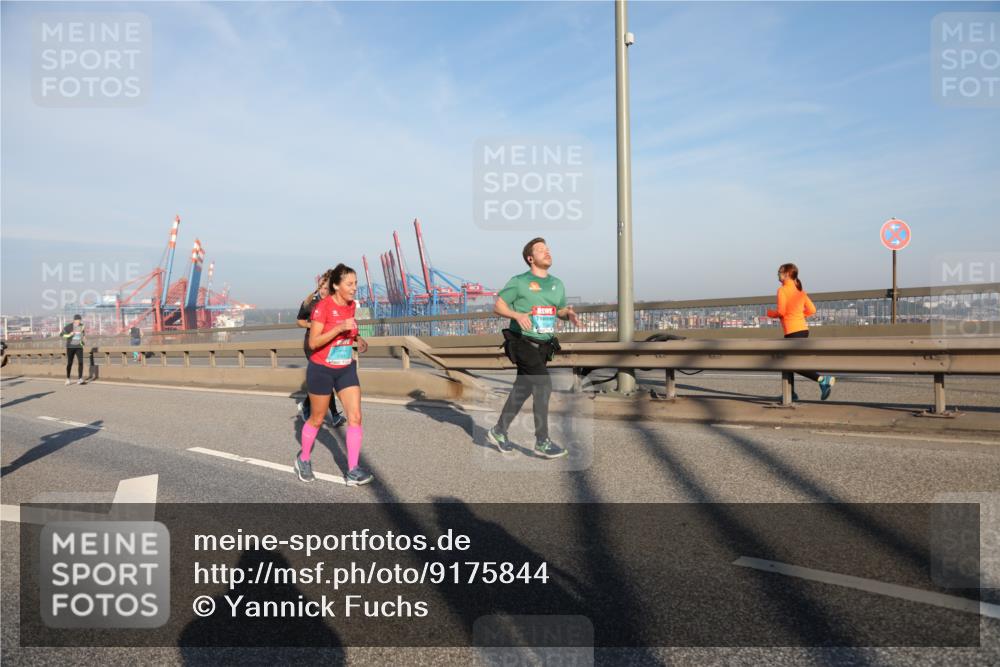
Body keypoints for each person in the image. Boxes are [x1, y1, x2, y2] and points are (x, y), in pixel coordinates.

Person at [487, 238, 580, 459]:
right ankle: (542, 441)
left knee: (522, 389)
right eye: (541, 250)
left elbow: (559, 309)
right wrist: (517, 315)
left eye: (548, 249)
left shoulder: (557, 283)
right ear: (530, 258)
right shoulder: (519, 281)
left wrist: (567, 314)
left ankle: (498, 431)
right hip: (521, 341)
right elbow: (498, 306)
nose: (547, 252)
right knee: (543, 383)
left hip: (543, 345)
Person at [294, 264, 372, 486]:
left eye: (356, 283)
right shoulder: (323, 307)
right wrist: (338, 329)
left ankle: (353, 470)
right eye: (350, 284)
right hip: (322, 369)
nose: (354, 288)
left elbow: (349, 329)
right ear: (337, 286)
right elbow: (313, 342)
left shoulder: (351, 306)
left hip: (345, 367)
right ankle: (303, 459)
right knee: (317, 419)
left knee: (355, 417)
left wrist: (358, 339)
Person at [766, 263, 835, 401]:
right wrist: (798, 315)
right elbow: (812, 310)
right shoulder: (800, 291)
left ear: (787, 274)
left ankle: (822, 379)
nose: (777, 274)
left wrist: (770, 313)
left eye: (779, 272)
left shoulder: (782, 290)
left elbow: (781, 312)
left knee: (789, 362)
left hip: (793, 331)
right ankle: (791, 393)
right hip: (803, 330)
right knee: (789, 361)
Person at [296, 272, 346, 428]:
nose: (323, 291)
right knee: (326, 378)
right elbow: (299, 321)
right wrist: (311, 325)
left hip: (328, 344)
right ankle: (335, 415)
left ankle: (306, 405)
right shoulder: (310, 302)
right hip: (312, 345)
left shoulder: (333, 303)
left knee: (324, 379)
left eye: (326, 288)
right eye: (321, 288)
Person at [61, 314, 87, 385]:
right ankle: (68, 379)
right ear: (74, 320)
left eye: (79, 320)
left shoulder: (82, 326)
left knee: (81, 362)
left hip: (79, 347)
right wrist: (70, 335)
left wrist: (83, 340)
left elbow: (82, 335)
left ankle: (80, 379)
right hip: (70, 347)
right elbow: (62, 335)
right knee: (70, 363)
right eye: (77, 320)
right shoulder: (69, 326)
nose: (78, 321)